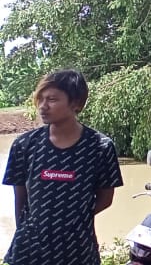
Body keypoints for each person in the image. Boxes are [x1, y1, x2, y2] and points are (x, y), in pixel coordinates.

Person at [3, 69, 124, 265]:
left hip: (78, 249)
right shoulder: (24, 145)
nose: (43, 106)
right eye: (40, 99)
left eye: (51, 99)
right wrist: (29, 228)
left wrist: (71, 219)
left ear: (76, 103)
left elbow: (105, 198)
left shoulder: (100, 147)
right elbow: (20, 197)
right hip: (30, 250)